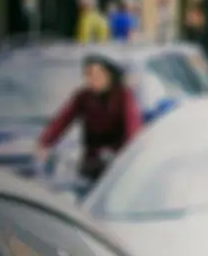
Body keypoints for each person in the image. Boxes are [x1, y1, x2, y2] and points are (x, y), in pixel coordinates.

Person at [36, 54, 144, 186]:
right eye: (89, 76)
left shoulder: (123, 95)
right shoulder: (83, 96)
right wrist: (45, 142)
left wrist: (130, 154)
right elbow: (63, 119)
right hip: (92, 159)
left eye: (98, 76)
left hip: (118, 160)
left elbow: (132, 125)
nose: (93, 80)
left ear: (109, 76)